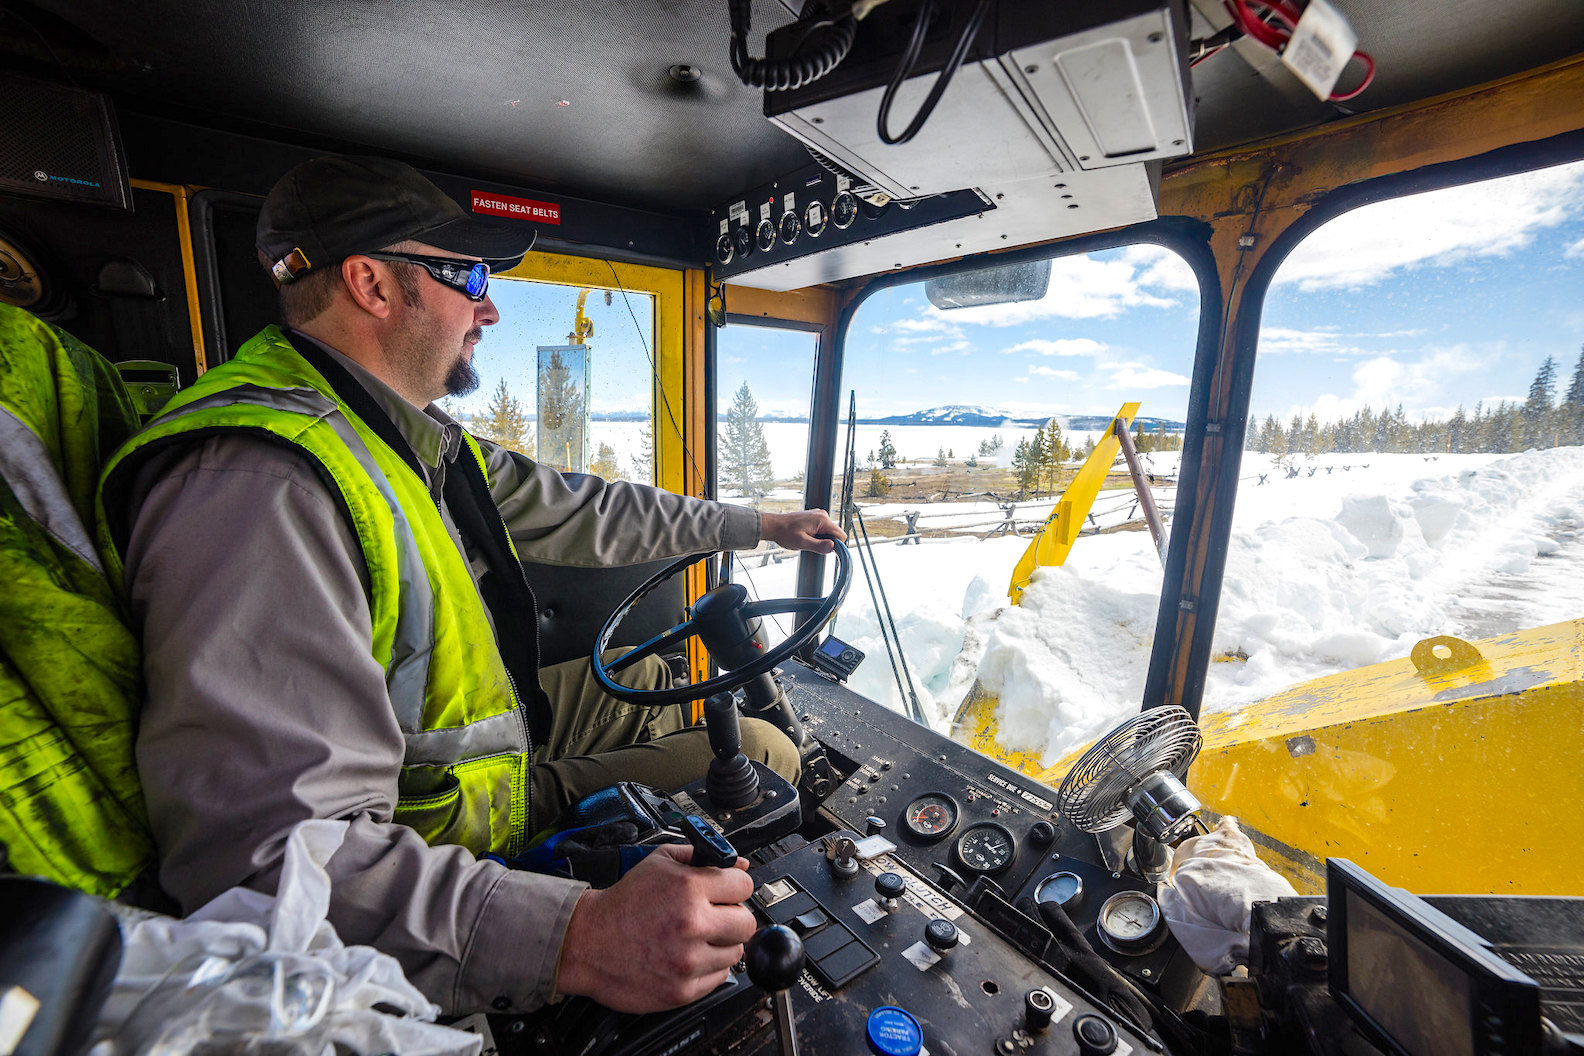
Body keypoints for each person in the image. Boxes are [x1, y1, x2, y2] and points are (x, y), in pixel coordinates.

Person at [96, 155, 845, 1016]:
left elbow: (586, 507)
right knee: (765, 752)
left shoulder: (391, 435)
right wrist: (577, 933)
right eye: (468, 277)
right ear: (372, 284)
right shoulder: (263, 489)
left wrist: (756, 524)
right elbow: (270, 870)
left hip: (465, 753)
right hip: (448, 824)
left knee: (653, 678)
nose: (488, 307)